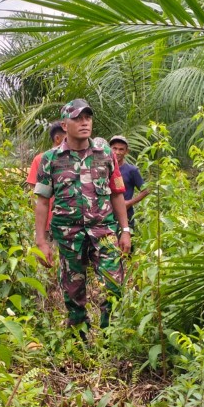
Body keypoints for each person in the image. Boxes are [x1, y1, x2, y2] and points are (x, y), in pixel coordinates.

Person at [33, 99, 132, 334]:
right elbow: (42, 201)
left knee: (114, 284)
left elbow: (117, 194)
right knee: (73, 292)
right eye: (77, 118)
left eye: (87, 117)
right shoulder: (50, 159)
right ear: (65, 125)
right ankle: (79, 338)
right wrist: (41, 241)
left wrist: (125, 231)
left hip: (103, 231)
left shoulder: (105, 154)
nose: (84, 122)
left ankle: (111, 337)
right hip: (68, 235)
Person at [26, 121, 65, 237]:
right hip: (47, 224)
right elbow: (33, 194)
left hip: (67, 225)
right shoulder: (42, 159)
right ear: (57, 139)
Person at [109, 135, 149, 231]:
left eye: (121, 149)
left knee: (125, 244)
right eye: (114, 148)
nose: (117, 152)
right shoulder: (103, 168)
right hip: (107, 217)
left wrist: (129, 203)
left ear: (126, 152)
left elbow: (146, 190)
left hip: (125, 216)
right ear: (109, 149)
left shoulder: (132, 170)